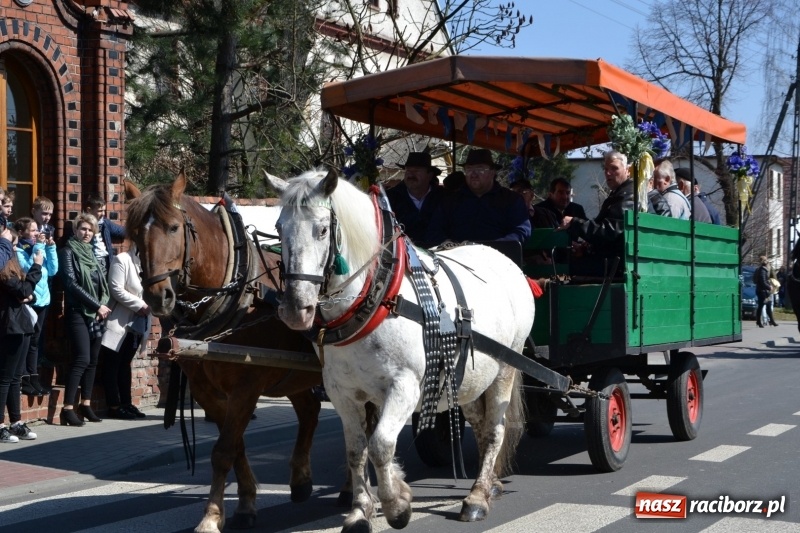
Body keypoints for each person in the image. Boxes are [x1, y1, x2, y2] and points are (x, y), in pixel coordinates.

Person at [58, 213, 111, 426]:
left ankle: (86, 404)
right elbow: (71, 284)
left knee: (94, 360)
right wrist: (96, 305)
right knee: (82, 359)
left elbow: (102, 283)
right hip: (78, 311)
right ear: (75, 230)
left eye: (90, 230)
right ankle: (67, 408)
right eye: (83, 229)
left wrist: (102, 305)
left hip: (98, 312)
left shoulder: (94, 254)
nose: (86, 233)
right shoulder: (67, 252)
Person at [426, 149, 531, 245]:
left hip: (498, 259)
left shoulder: (511, 200)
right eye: (469, 169)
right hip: (457, 259)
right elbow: (434, 230)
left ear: (492, 172)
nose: (474, 174)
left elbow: (521, 230)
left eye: (480, 169)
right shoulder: (451, 201)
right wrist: (446, 243)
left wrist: (497, 246)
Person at [100, 243, 151, 419]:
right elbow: (116, 290)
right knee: (112, 364)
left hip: (137, 324)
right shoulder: (121, 260)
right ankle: (114, 406)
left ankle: (126, 403)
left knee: (125, 364)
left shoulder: (148, 265)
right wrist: (140, 305)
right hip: (119, 322)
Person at [0, 235, 43, 443]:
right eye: (13, 245)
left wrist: (30, 295)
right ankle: (0, 425)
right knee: (5, 378)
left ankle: (16, 422)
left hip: (22, 325)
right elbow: (24, 289)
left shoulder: (12, 266)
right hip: (10, 327)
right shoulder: (4, 269)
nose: (16, 249)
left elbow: (28, 293)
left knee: (16, 377)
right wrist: (36, 266)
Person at [559, 150, 634, 259]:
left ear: (627, 170)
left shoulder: (628, 195)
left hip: (615, 263)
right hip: (612, 258)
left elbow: (609, 231)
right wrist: (585, 247)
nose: (608, 173)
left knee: (560, 262)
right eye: (606, 169)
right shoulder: (618, 194)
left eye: (614, 168)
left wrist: (574, 222)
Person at [14, 217, 58, 396]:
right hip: (30, 300)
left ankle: (33, 378)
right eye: (32, 231)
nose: (37, 234)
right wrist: (40, 247)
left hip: (43, 301)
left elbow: (53, 270)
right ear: (22, 232)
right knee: (27, 341)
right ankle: (23, 378)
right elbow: (29, 269)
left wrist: (51, 248)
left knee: (35, 343)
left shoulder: (39, 248)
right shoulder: (19, 251)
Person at [385, 152, 445, 245]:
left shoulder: (445, 198)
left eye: (416, 171)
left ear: (429, 175)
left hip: (441, 254)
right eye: (408, 171)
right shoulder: (390, 198)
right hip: (404, 255)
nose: (411, 175)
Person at [754, 255, 777, 327]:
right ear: (764, 261)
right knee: (765, 305)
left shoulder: (760, 269)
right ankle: (768, 321)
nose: (767, 261)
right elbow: (763, 281)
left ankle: (765, 321)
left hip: (762, 291)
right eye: (766, 260)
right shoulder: (762, 270)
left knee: (764, 306)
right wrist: (769, 287)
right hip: (763, 292)